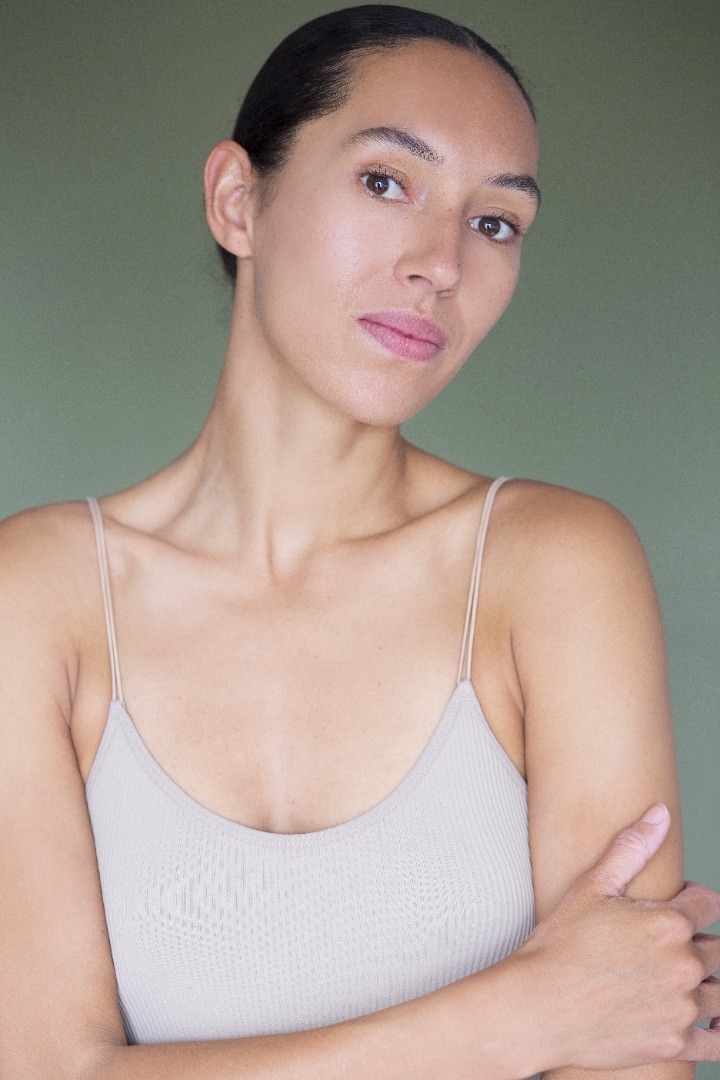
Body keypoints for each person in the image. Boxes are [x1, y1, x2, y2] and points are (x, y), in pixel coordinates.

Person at [1, 5, 718, 1079]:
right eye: (386, 182)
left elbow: (631, 1043)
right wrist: (514, 1020)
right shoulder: (35, 596)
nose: (441, 264)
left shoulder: (555, 568)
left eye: (496, 223)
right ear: (237, 200)